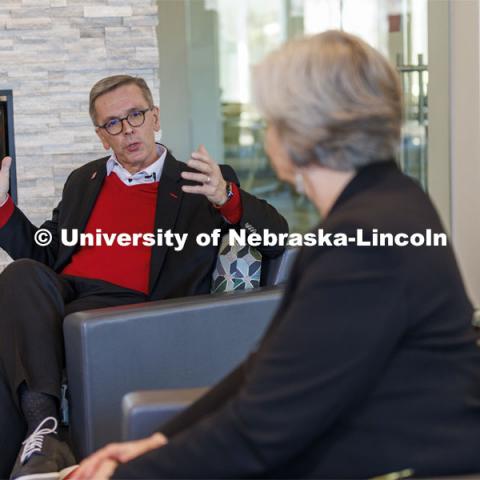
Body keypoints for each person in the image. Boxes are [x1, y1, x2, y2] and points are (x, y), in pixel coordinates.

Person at [72, 30, 480, 480]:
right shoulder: (389, 202)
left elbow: (262, 431)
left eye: (271, 120)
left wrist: (123, 475)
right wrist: (161, 438)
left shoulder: (364, 240)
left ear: (300, 130)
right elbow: (267, 367)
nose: (268, 134)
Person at [0, 75, 288, 479]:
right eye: (113, 123)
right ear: (103, 137)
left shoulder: (200, 181)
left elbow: (277, 240)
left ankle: (39, 441)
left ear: (155, 117)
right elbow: (44, 255)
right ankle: (44, 431)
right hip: (66, 297)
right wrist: (3, 208)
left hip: (130, 310)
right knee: (19, 276)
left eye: (135, 115)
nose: (127, 129)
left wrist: (227, 198)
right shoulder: (84, 180)